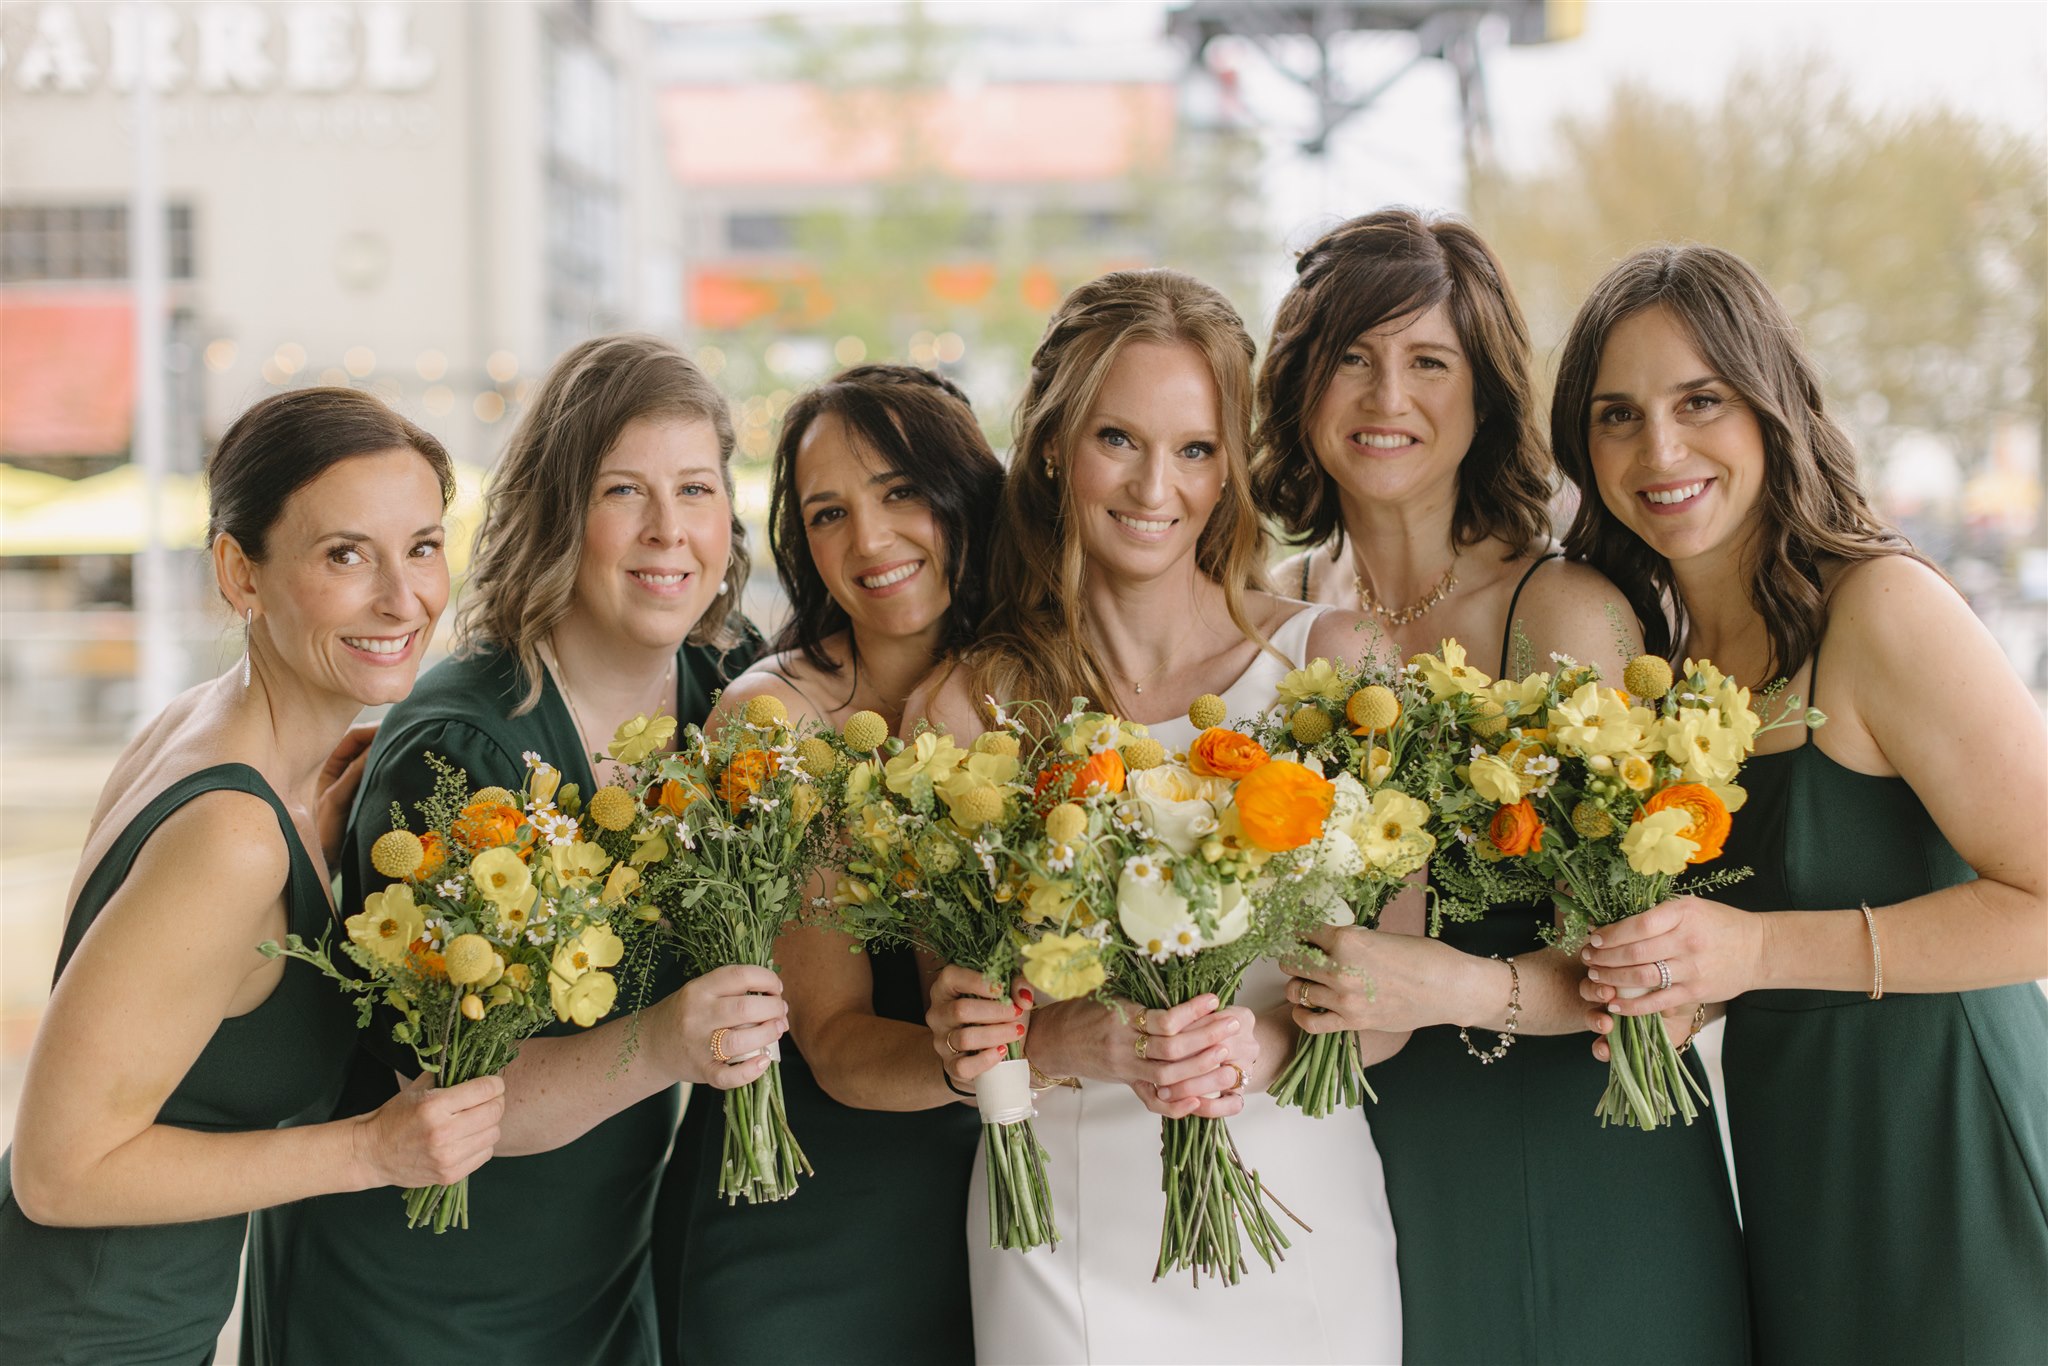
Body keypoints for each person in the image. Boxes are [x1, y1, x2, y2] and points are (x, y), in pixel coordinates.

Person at [1252, 210, 1749, 1363]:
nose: (1387, 397)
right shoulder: (1266, 615)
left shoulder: (1561, 614)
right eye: (1351, 358)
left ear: (1482, 400)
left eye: (1428, 362)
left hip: (1565, 1157)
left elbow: (1660, 972)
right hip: (1341, 1161)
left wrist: (1449, 986)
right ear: (1299, 385)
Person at [245, 337, 782, 1366]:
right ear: (556, 512)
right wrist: (670, 1042)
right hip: (405, 1297)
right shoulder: (462, 744)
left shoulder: (732, 691)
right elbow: (449, 1093)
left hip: (601, 1279)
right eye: (624, 490)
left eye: (696, 489)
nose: (669, 531)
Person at [1559, 245, 2048, 1362]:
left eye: (1699, 402)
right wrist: (1683, 988)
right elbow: (1748, 936)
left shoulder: (1879, 610)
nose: (1660, 450)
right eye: (1616, 415)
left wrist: (1750, 954)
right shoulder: (1666, 666)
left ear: (1768, 406)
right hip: (1794, 1169)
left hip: (1946, 1158)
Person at [915, 269, 1402, 1364]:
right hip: (1063, 1228)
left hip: (1296, 1198)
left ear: (1230, 466)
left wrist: (1263, 1044)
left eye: (1193, 449)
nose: (1154, 486)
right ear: (1052, 446)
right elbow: (952, 1013)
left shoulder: (1332, 668)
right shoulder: (973, 705)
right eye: (1117, 439)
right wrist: (1061, 1038)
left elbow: (1395, 987)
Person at [0, 389, 506, 1365]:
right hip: (83, 1338)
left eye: (422, 545)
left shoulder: (205, 736)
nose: (403, 599)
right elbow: (58, 1173)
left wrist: (314, 835)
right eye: (345, 554)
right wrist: (370, 1149)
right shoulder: (233, 835)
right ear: (240, 573)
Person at [654, 363, 1004, 1364]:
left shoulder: (1039, 681)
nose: (870, 540)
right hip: (810, 1225)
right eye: (827, 514)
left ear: (964, 496)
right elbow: (840, 1045)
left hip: (1008, 1214)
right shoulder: (778, 717)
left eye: (900, 493)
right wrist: (1038, 1051)